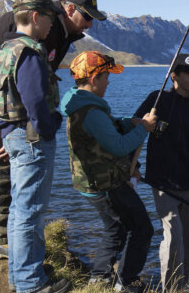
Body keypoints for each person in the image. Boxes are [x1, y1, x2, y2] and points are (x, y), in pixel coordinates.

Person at [0, 0, 106, 260]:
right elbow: (26, 86)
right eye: (87, 16)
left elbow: (33, 85)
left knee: (9, 155)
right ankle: (2, 244)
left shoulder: (61, 30)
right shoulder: (45, 24)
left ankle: (16, 242)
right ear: (69, 9)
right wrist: (15, 132)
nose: (90, 24)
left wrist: (16, 132)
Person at [0, 0, 68, 293]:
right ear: (34, 16)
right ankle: (31, 284)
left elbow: (6, 102)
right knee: (31, 211)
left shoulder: (7, 48)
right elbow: (36, 105)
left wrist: (8, 134)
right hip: (32, 141)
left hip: (15, 137)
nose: (52, 25)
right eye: (49, 19)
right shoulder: (29, 52)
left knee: (19, 210)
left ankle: (20, 276)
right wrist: (51, 125)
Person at [61, 51, 157, 293]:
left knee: (116, 229)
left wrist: (128, 123)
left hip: (93, 182)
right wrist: (144, 128)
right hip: (105, 185)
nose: (109, 82)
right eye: (106, 77)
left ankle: (100, 279)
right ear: (94, 79)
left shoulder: (79, 103)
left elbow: (108, 127)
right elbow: (119, 145)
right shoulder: (91, 112)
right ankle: (124, 282)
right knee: (142, 229)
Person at [134, 54, 189, 291]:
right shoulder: (157, 99)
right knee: (172, 235)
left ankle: (180, 285)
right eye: (188, 72)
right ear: (174, 76)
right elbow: (134, 130)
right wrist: (134, 165)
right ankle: (170, 288)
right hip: (162, 182)